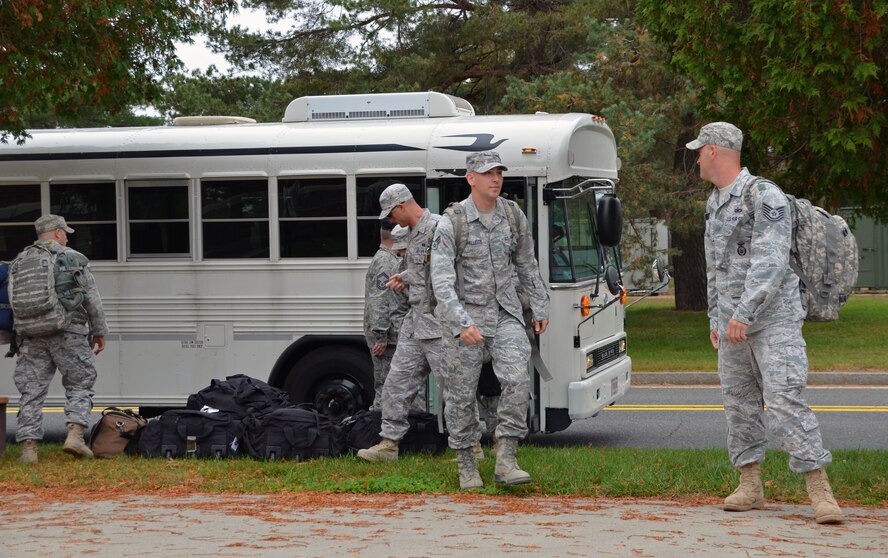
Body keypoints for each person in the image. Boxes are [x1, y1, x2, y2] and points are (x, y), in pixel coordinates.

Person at [690, 122, 843, 524]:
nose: (696, 157)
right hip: (731, 325)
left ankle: (819, 489)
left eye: (699, 150)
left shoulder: (764, 195)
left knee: (783, 400)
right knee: (739, 404)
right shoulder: (714, 201)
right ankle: (750, 485)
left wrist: (744, 313)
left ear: (714, 152)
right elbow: (715, 267)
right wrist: (716, 316)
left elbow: (770, 261)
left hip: (772, 321)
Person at [430, 151, 549, 489]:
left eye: (498, 172)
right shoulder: (451, 222)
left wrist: (539, 307)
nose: (495, 179)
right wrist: (460, 322)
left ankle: (506, 458)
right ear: (471, 178)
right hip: (466, 320)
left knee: (517, 380)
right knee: (460, 396)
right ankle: (467, 462)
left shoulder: (512, 215)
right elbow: (441, 281)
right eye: (487, 173)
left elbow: (526, 263)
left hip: (506, 314)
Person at [357, 184, 443, 462]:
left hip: (440, 322)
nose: (391, 220)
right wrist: (404, 277)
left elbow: (450, 271)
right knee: (396, 383)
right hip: (413, 321)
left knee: (456, 387)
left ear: (402, 205)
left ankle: (471, 447)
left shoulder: (441, 228)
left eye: (392, 213)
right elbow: (418, 268)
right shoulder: (408, 234)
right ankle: (389, 444)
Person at [12, 215, 108, 463]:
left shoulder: (19, 260)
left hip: (30, 334)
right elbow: (91, 299)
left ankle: (28, 449)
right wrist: (99, 330)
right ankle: (75, 436)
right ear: (56, 233)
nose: (66, 236)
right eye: (64, 232)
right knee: (80, 382)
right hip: (68, 331)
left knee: (31, 391)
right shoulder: (71, 256)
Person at [363, 221, 411, 410]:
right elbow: (380, 299)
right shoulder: (387, 261)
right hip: (388, 339)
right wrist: (380, 336)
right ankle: (377, 429)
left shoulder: (389, 259)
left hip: (390, 335)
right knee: (387, 388)